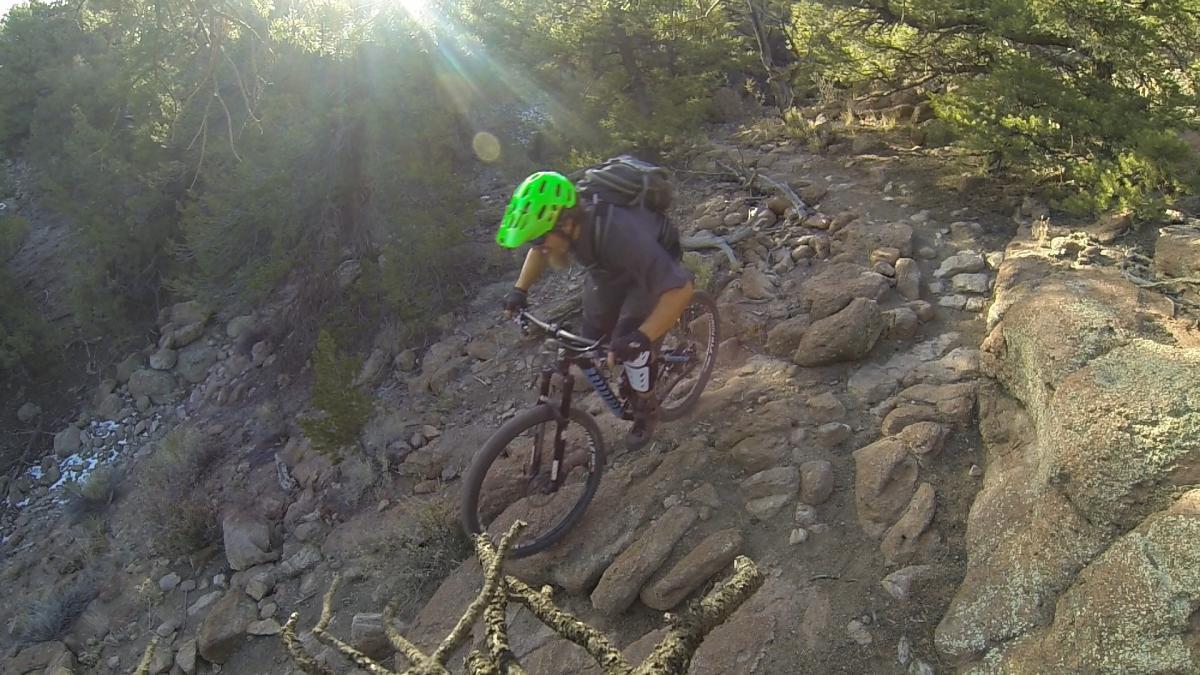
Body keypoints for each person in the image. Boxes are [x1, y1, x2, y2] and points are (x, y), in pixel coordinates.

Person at [495, 170, 694, 450]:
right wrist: (520, 290)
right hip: (608, 267)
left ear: (565, 224)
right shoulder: (567, 227)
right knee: (591, 336)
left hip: (650, 264)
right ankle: (628, 368)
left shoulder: (618, 232)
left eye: (540, 239)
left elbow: (681, 291)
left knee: (632, 342)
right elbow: (539, 250)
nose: (538, 247)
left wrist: (641, 337)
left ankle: (645, 408)